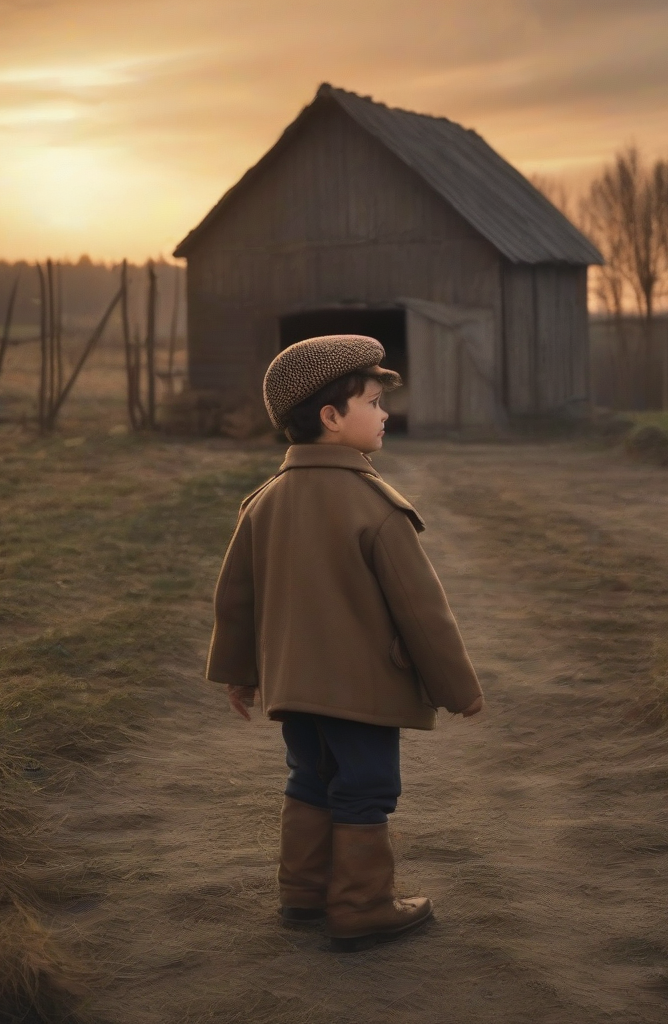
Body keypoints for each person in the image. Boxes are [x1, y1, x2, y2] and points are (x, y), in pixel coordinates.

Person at [205, 333, 484, 952]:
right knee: (365, 787)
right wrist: (457, 688)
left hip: (294, 689)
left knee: (310, 776)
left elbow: (237, 598)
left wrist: (239, 672)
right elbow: (423, 612)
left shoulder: (264, 503)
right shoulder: (375, 506)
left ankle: (302, 895)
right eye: (374, 402)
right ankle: (361, 905)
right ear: (332, 418)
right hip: (361, 691)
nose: (386, 414)